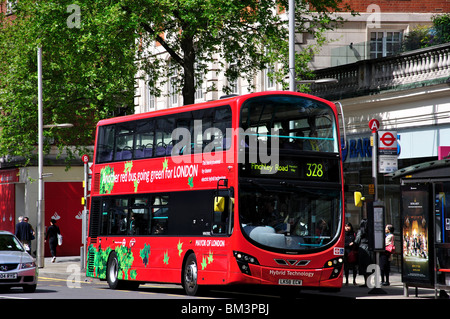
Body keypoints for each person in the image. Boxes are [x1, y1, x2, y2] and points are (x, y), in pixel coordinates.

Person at [355, 219, 372, 287]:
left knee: (363, 266)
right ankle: (369, 282)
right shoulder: (370, 231)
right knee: (369, 265)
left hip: (362, 248)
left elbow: (357, 240)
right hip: (370, 248)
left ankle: (366, 282)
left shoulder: (360, 231)